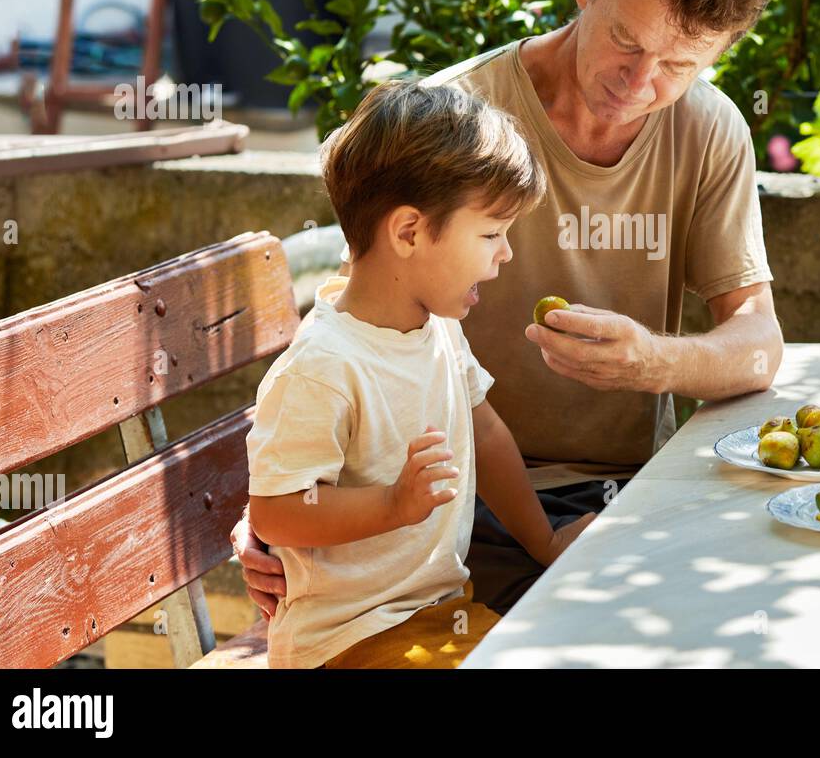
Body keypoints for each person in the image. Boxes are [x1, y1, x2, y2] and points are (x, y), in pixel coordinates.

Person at [233, 0, 785, 619]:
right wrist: (279, 516)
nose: (640, 83)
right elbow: (348, 328)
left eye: (680, 67)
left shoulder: (709, 132)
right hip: (455, 506)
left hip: (624, 493)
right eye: (627, 39)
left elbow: (758, 342)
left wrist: (650, 362)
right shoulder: (463, 124)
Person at [244, 82, 593, 668]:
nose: (505, 254)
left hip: (437, 617)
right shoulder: (325, 366)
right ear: (408, 233)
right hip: (347, 642)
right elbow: (275, 512)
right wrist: (392, 505)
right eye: (490, 234)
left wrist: (547, 541)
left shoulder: (437, 328)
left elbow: (486, 435)